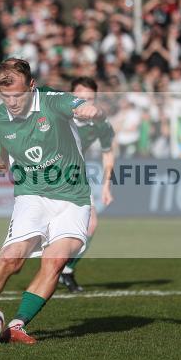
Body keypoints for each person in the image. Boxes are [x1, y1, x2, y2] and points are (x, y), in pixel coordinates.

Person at [0, 58, 104, 344]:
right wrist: (1, 158)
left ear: (32, 86)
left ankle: (17, 326)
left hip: (73, 198)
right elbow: (3, 138)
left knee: (55, 261)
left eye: (18, 95)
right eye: (6, 96)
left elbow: (76, 105)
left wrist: (87, 109)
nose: (12, 102)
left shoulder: (51, 101)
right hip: (31, 194)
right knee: (12, 258)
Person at [58, 77, 116, 292]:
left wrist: (107, 187)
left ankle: (66, 271)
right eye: (80, 98)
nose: (85, 103)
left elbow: (108, 153)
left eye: (89, 99)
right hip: (45, 176)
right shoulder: (57, 115)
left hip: (75, 175)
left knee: (90, 224)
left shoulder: (100, 123)